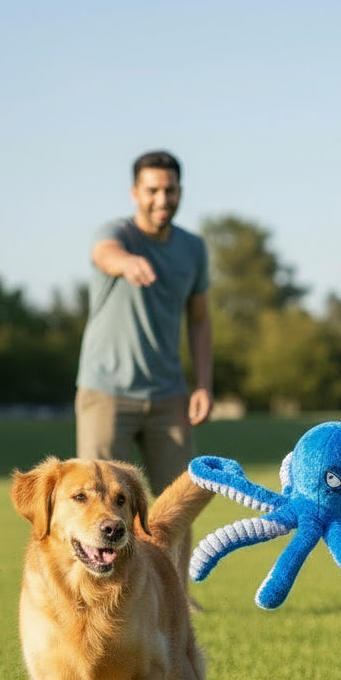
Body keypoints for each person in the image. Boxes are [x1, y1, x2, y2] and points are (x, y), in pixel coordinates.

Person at [75, 150, 213, 589]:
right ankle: (96, 596)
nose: (161, 198)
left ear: (180, 193)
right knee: (95, 502)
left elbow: (200, 319)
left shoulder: (192, 249)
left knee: (179, 503)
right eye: (152, 190)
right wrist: (126, 263)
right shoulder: (118, 235)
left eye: (169, 190)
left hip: (169, 394)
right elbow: (104, 253)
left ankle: (176, 601)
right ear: (135, 192)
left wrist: (204, 383)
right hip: (106, 392)